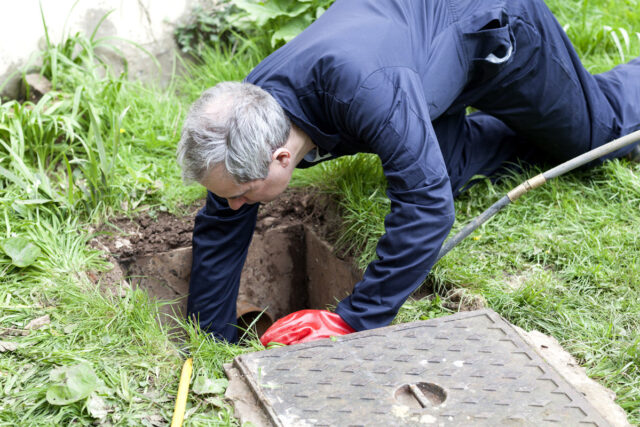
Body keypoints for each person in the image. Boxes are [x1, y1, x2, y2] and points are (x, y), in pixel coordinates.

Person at [177, 0, 640, 344]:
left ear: (281, 158)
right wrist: (211, 339)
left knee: (596, 137)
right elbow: (223, 222)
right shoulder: (250, 117)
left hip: (489, 28)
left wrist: (353, 319)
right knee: (450, 169)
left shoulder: (365, 91)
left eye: (240, 193)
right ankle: (540, 134)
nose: (232, 203)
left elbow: (428, 207)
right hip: (417, 57)